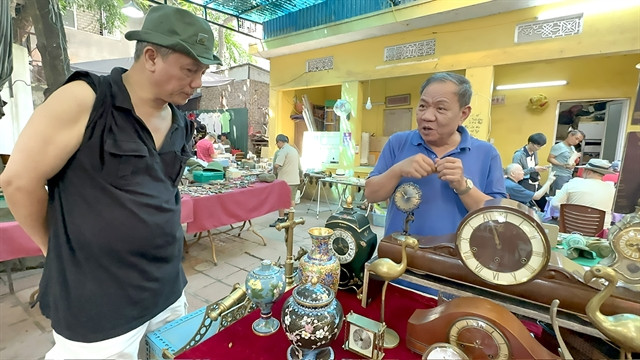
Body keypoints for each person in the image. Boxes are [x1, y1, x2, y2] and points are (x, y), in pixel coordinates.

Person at [0, 5, 221, 358]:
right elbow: (18, 181)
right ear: (151, 56)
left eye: (203, 71)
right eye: (190, 70)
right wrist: (53, 248)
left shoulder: (179, 121)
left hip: (166, 290)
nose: (197, 82)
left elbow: (163, 192)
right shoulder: (87, 100)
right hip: (99, 307)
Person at [365, 72, 506, 237]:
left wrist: (463, 185)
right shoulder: (398, 142)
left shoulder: (487, 153)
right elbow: (371, 194)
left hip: (454, 258)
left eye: (440, 108)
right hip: (398, 255)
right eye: (423, 106)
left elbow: (497, 218)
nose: (427, 116)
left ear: (463, 114)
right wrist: (397, 171)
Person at [551, 158, 616, 229]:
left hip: (571, 228)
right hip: (600, 231)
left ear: (588, 172)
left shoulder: (573, 183)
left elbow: (554, 203)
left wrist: (569, 212)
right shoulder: (611, 189)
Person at [270, 134, 302, 227]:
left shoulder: (283, 151)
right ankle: (290, 217)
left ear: (280, 142)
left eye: (277, 144)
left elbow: (277, 164)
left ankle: (281, 218)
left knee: (281, 199)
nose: (277, 146)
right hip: (294, 179)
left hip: (285, 180)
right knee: (292, 199)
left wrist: (273, 171)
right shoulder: (294, 150)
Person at [512, 132, 549, 209]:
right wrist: (534, 169)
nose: (539, 148)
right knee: (529, 205)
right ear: (530, 143)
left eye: (541, 146)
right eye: (538, 146)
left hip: (534, 181)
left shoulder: (534, 152)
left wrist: (539, 169)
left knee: (545, 200)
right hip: (524, 182)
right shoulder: (519, 155)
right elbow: (516, 173)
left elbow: (534, 165)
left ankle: (547, 217)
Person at [547, 129, 585, 195]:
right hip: (559, 175)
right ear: (570, 135)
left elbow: (570, 159)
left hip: (569, 175)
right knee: (557, 196)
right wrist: (562, 165)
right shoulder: (559, 146)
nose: (577, 142)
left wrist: (574, 162)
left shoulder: (572, 148)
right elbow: (550, 159)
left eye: (579, 141)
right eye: (576, 139)